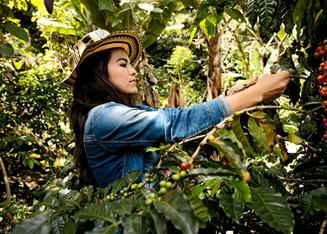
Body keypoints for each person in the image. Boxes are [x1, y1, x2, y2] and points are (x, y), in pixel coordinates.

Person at [64, 30, 290, 188]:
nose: (133, 71)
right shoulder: (103, 117)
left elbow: (186, 129)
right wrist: (257, 94)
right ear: (98, 74)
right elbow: (174, 123)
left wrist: (232, 96)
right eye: (123, 64)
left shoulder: (127, 112)